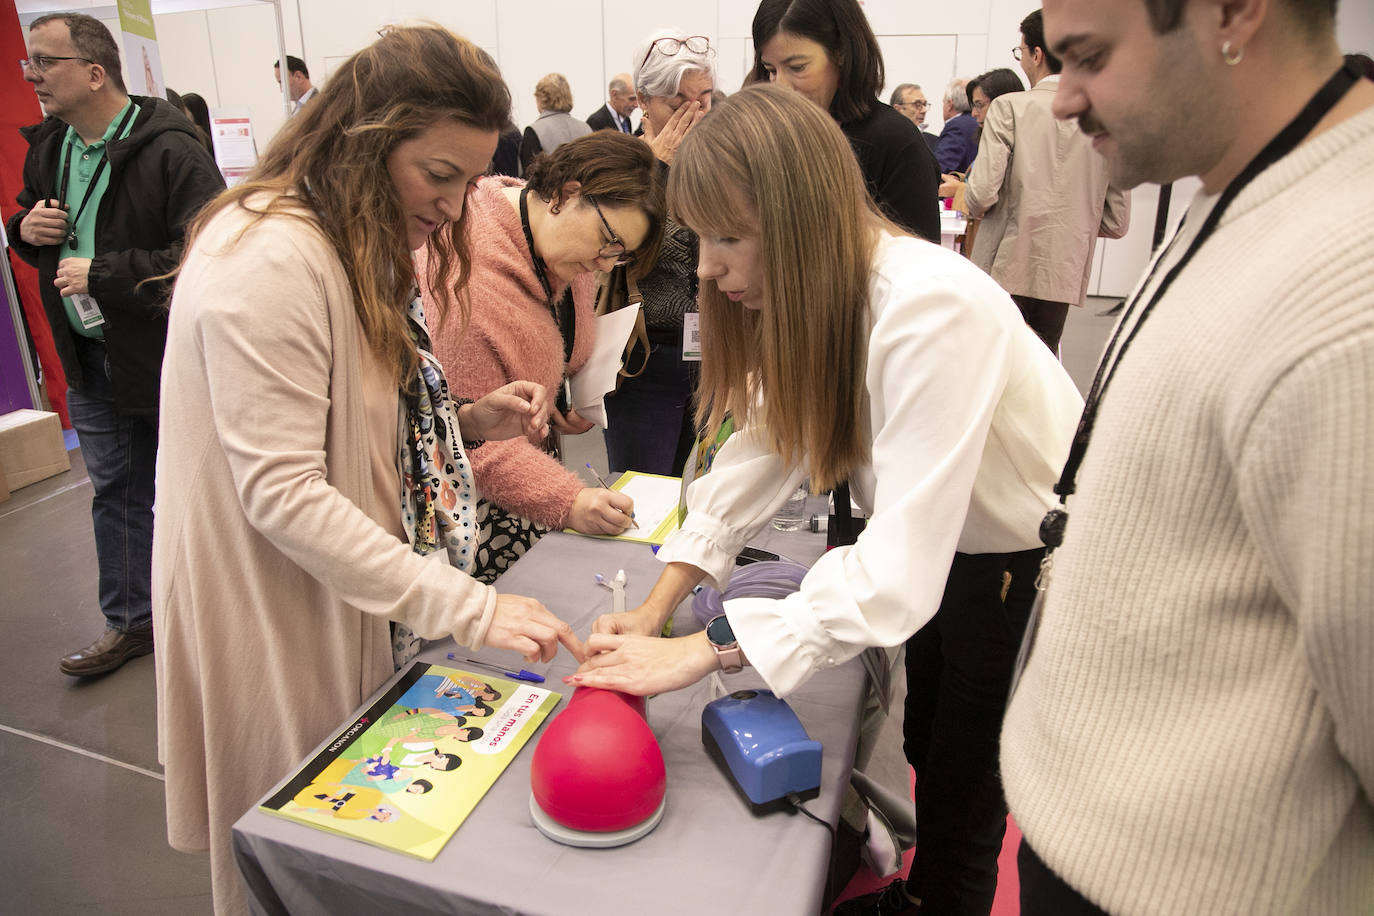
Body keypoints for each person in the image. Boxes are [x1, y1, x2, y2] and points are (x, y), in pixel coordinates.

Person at [570, 84, 1084, 915]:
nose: (705, 268)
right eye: (701, 239)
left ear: (801, 216)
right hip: (958, 554)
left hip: (1018, 566)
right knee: (927, 742)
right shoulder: (830, 298)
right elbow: (768, 446)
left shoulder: (928, 307)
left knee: (965, 783)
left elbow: (898, 561)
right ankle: (923, 895)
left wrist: (705, 649)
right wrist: (662, 600)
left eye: (729, 238)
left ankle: (942, 900)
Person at [151, 27, 585, 914]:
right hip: (273, 594)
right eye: (439, 175)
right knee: (296, 839)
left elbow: (353, 428)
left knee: (348, 824)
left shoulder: (350, 239)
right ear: (364, 136)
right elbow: (282, 491)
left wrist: (461, 423)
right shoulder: (267, 257)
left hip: (342, 584)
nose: (457, 206)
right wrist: (471, 605)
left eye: (470, 179)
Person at [999, 0, 1374, 912]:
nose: (1060, 100)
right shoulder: (1239, 191)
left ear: (1236, 13)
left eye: (1087, 58)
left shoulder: (1348, 303)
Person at [8, 13, 224, 677]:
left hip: (165, 359)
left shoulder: (172, 151)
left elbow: (208, 257)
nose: (34, 76)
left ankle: (222, 616)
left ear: (96, 72)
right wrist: (26, 227)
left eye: (46, 62)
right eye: (28, 63)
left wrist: (103, 274)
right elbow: (26, 221)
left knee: (204, 489)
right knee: (114, 491)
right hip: (90, 356)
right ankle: (131, 623)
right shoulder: (51, 144)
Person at [423, 130, 664, 581]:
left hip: (523, 480)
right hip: (473, 520)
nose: (604, 264)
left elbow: (542, 348)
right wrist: (568, 501)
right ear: (567, 194)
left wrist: (554, 401)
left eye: (621, 255)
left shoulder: (552, 246)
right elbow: (466, 440)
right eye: (607, 242)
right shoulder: (467, 282)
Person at [956, 10, 1131, 356]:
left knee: (994, 366)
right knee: (1043, 370)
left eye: (1020, 51)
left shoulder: (1009, 108)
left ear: (1037, 54)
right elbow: (1116, 221)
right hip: (1063, 271)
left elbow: (981, 196)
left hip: (1003, 262)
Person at [601, 28, 717, 477]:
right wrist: (657, 167)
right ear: (644, 100)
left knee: (692, 494)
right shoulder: (621, 162)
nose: (695, 112)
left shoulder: (713, 163)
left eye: (705, 98)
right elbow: (615, 251)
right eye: (678, 101)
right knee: (639, 490)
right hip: (642, 358)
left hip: (708, 355)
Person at [752, 0, 941, 243]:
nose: (782, 87)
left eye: (797, 67)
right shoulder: (774, 135)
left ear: (841, 52)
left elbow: (921, 261)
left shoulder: (894, 141)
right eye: (772, 70)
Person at [519, 73, 592, 175]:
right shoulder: (586, 129)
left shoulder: (534, 131)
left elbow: (530, 177)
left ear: (540, 98)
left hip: (549, 190)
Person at [935, 77, 979, 173]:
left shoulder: (956, 127)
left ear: (949, 105)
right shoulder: (977, 122)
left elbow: (940, 169)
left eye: (943, 101)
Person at [890, 81, 939, 151]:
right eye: (917, 104)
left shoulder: (936, 144)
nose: (924, 110)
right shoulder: (883, 142)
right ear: (897, 110)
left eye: (924, 104)